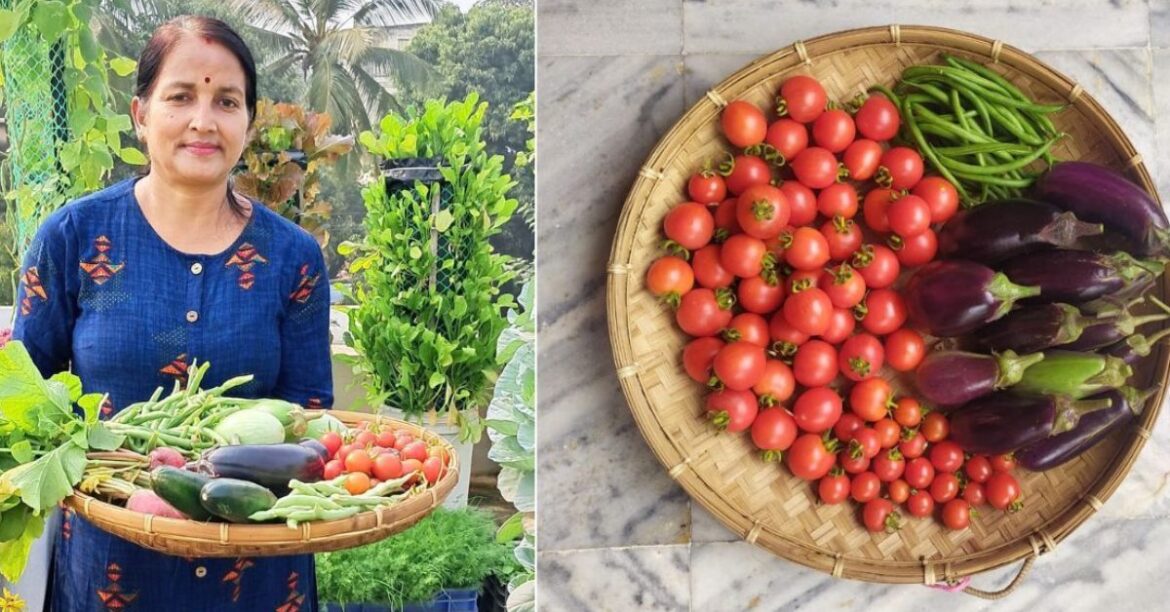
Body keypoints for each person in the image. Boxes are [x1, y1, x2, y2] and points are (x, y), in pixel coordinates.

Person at [13, 15, 333, 611]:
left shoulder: (293, 258)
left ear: (248, 120)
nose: (202, 121)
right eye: (181, 96)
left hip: (258, 577)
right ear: (140, 114)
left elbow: (310, 421)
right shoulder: (74, 238)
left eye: (226, 101)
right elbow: (27, 399)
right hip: (112, 572)